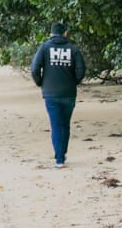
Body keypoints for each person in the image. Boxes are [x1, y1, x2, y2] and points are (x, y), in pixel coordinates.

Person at [30, 21, 86, 168]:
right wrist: (74, 82)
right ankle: (62, 153)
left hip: (50, 94)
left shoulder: (44, 47)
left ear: (51, 33)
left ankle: (59, 158)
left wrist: (40, 82)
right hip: (69, 93)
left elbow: (35, 68)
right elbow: (81, 70)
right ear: (65, 33)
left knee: (56, 125)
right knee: (65, 125)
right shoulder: (73, 49)